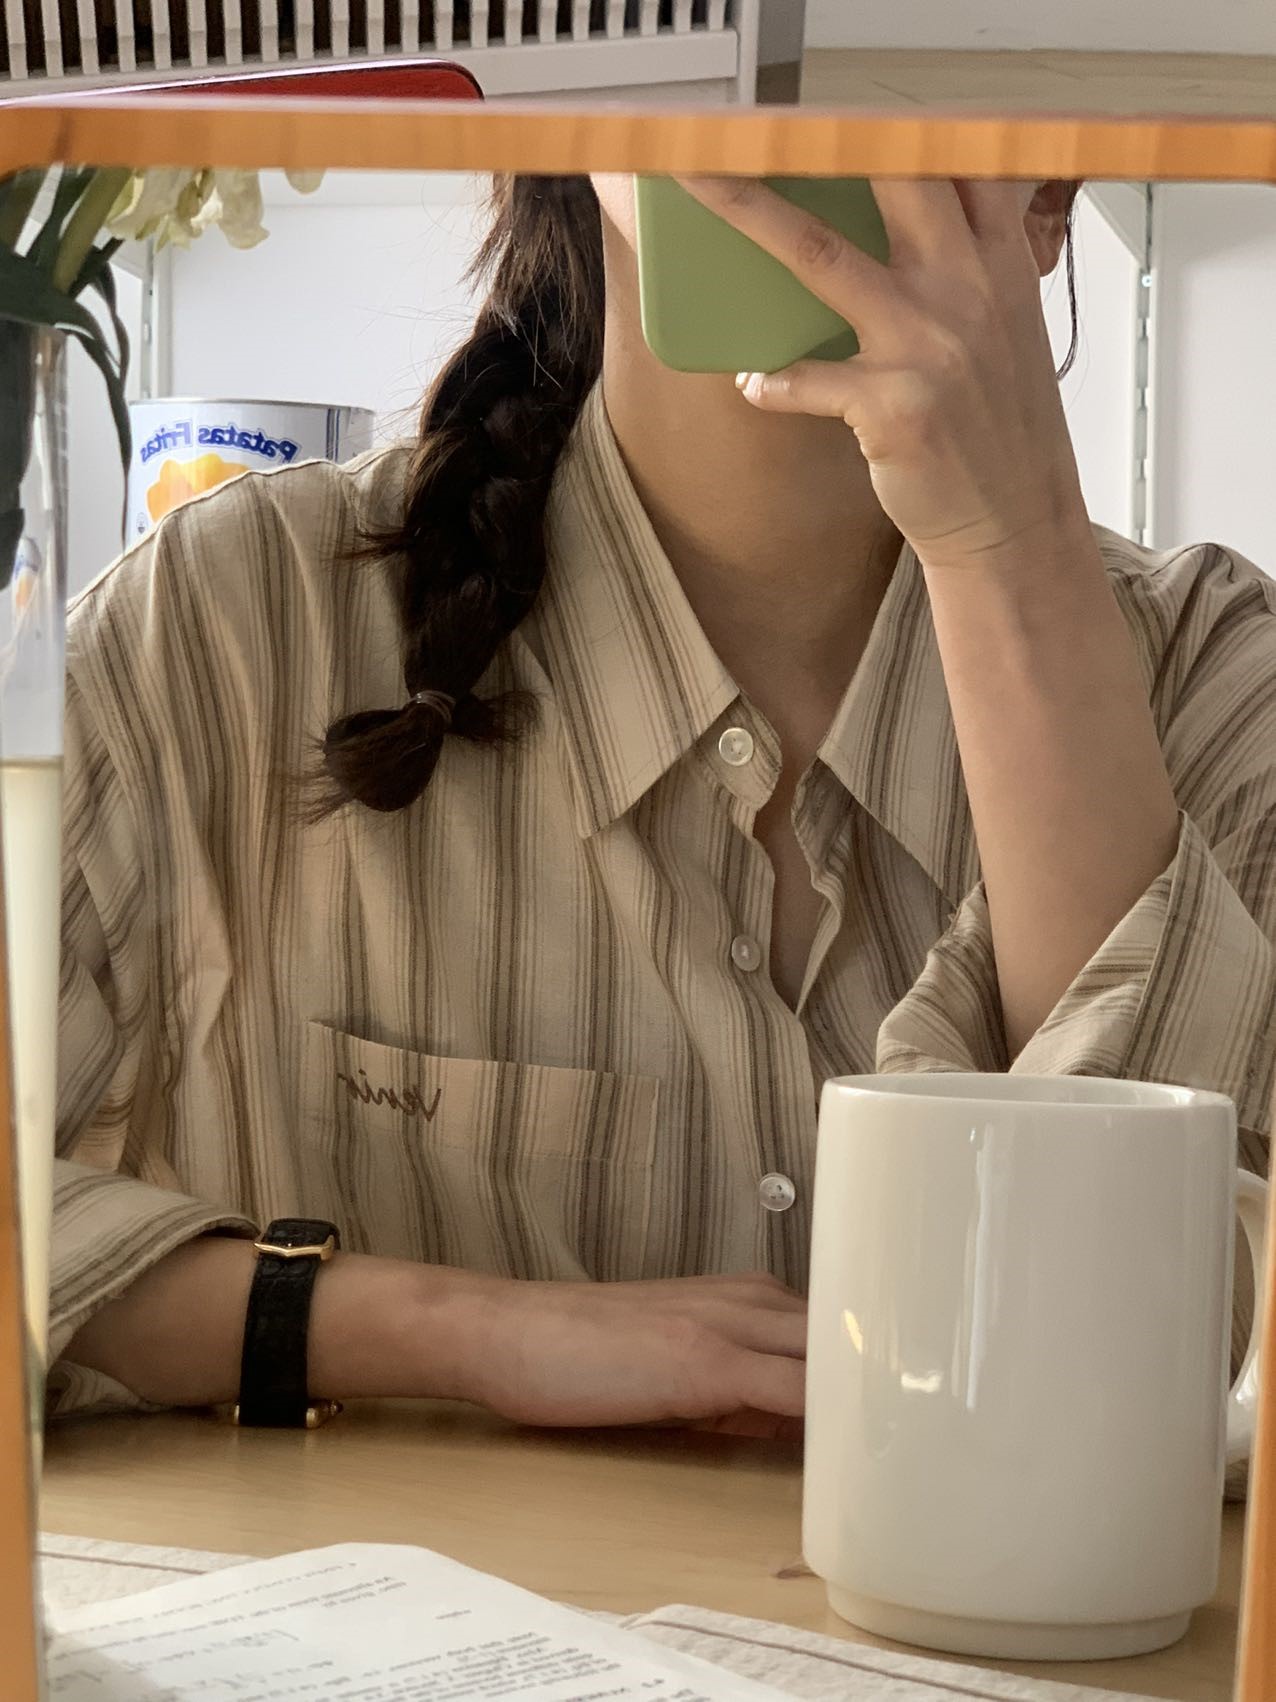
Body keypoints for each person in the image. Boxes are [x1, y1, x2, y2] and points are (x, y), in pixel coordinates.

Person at [51, 174, 1275, 1442]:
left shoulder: (1212, 679)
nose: (811, 116)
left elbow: (1176, 1375)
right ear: (577, 131)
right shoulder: (232, 624)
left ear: (1051, 193)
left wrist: (1007, 547)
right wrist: (450, 1329)